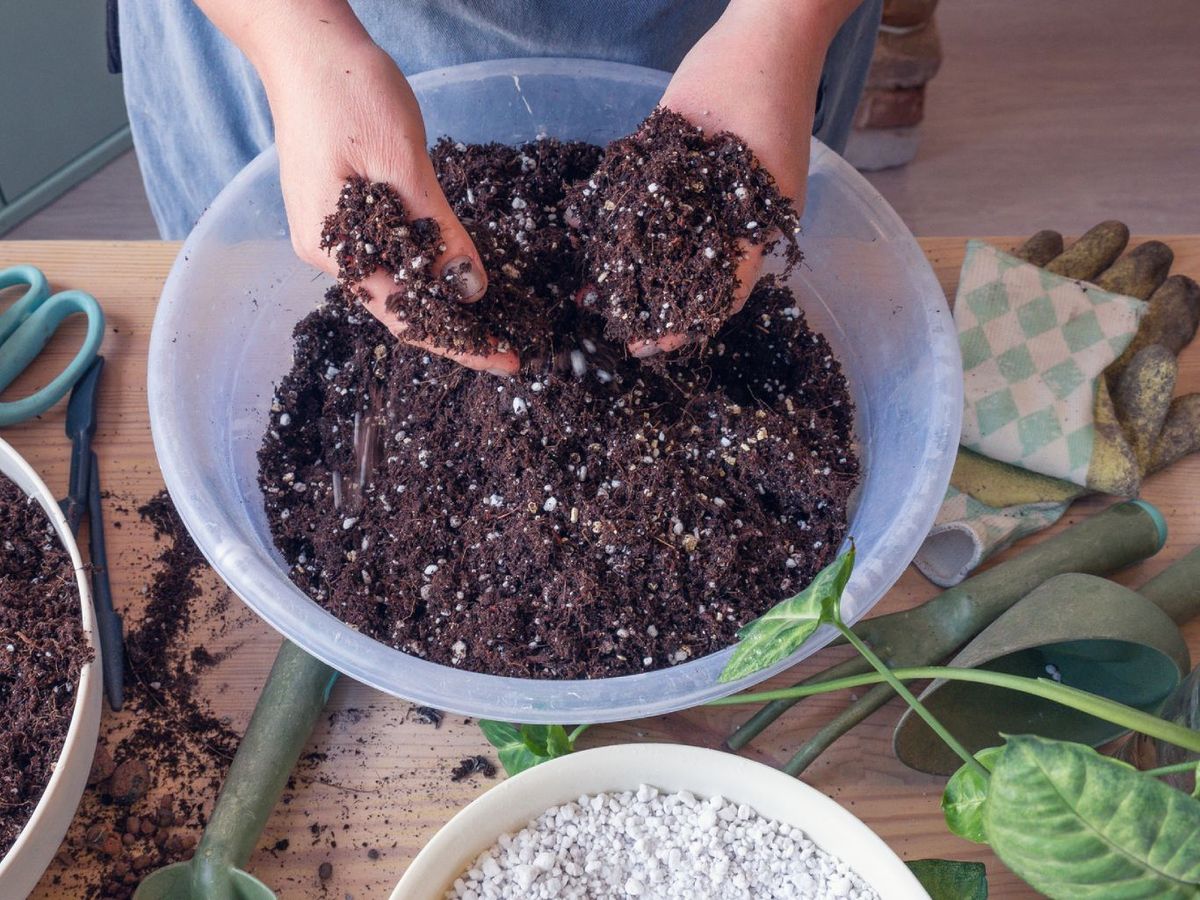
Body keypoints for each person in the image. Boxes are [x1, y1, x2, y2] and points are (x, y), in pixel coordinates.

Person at [120, 0, 881, 372]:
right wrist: (292, 45)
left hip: (723, 29)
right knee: (271, 321)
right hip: (289, 35)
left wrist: (787, 24)